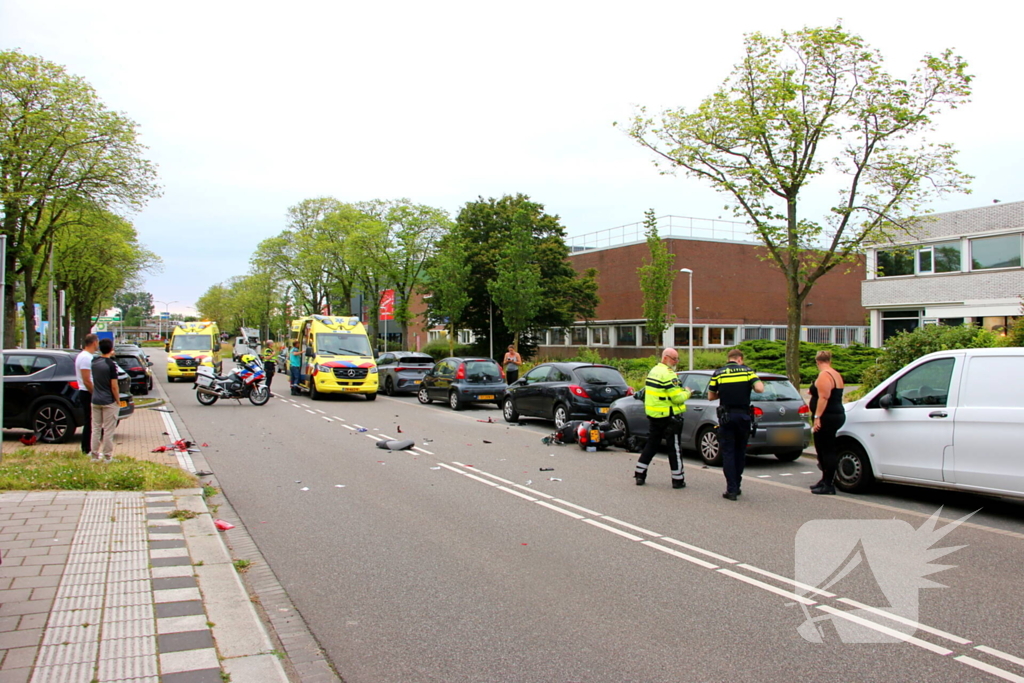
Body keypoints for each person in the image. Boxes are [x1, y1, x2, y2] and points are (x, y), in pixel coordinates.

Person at [708, 349, 764, 501]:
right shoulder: (748, 371)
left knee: (728, 452)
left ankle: (731, 489)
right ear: (740, 359)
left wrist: (723, 393)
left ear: (729, 358)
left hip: (726, 417)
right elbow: (759, 388)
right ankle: (737, 485)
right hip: (744, 417)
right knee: (740, 452)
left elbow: (710, 396)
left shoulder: (718, 373)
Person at [634, 348, 691, 488]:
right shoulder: (668, 374)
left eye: (677, 359)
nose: (676, 362)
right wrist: (687, 392)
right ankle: (678, 479)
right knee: (674, 448)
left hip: (655, 415)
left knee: (652, 445)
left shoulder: (654, 371)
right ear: (665, 357)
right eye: (674, 359)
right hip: (669, 416)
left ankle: (639, 474)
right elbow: (676, 398)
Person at [808, 349, 845, 495]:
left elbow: (824, 397)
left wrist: (817, 417)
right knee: (825, 447)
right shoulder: (836, 374)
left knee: (825, 449)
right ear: (829, 360)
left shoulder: (824, 375)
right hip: (836, 414)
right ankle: (824, 480)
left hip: (827, 416)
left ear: (817, 362)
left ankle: (828, 484)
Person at [90, 338, 120, 463]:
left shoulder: (94, 362)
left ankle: (94, 455)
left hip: (95, 399)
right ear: (111, 349)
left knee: (96, 428)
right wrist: (117, 400)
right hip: (108, 400)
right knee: (108, 430)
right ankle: (107, 456)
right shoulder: (111, 365)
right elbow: (114, 386)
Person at [75, 334, 99, 454]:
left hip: (87, 391)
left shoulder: (86, 356)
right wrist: (95, 393)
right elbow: (87, 380)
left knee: (91, 421)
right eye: (97, 342)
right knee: (89, 421)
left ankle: (88, 448)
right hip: (86, 392)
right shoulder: (85, 358)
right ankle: (86, 448)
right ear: (94, 343)